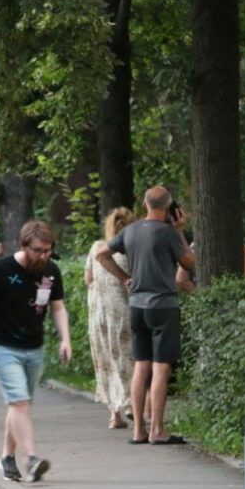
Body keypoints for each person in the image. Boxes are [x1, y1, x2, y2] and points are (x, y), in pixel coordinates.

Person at [0, 220, 71, 483]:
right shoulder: (1, 269)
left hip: (33, 347)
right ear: (24, 245)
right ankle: (31, 458)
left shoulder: (51, 271)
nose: (43, 256)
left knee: (20, 406)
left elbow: (57, 307)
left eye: (48, 250)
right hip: (3, 346)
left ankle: (6, 457)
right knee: (20, 401)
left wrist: (66, 339)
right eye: (38, 250)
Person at [96, 186, 194, 445]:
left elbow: (101, 254)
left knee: (141, 365)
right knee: (161, 368)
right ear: (170, 206)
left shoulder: (130, 231)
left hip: (136, 306)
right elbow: (190, 263)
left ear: (145, 203)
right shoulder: (168, 233)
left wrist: (125, 278)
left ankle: (138, 429)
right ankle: (157, 430)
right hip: (163, 306)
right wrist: (180, 230)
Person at [85, 208, 136, 429]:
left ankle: (114, 415)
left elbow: (88, 279)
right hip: (122, 312)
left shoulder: (96, 247)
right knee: (128, 359)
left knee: (105, 361)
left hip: (98, 315)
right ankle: (133, 406)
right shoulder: (129, 252)